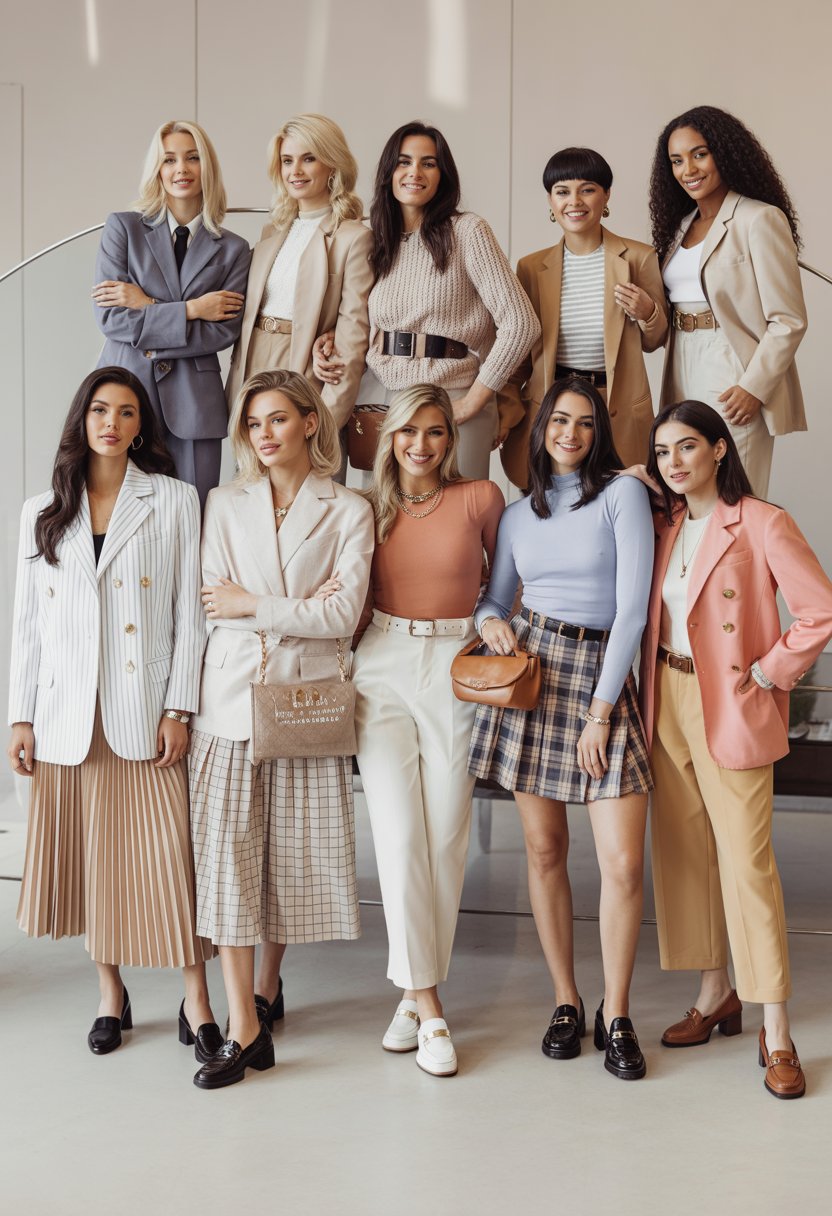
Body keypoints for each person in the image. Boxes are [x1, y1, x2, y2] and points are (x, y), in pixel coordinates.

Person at [7, 366, 217, 1061]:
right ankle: (110, 993)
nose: (112, 423)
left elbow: (192, 616)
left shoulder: (175, 500)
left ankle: (197, 997)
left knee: (168, 861)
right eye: (100, 410)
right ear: (82, 419)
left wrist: (180, 706)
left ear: (141, 427)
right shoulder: (43, 510)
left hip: (143, 709)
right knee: (92, 863)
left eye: (127, 413)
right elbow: (29, 627)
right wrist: (20, 718)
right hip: (68, 714)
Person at [639, 400, 832, 1100]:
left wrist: (771, 671)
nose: (674, 462)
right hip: (667, 696)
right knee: (686, 852)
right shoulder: (663, 526)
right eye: (662, 452)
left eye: (687, 446)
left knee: (748, 864)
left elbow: (820, 609)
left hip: (733, 701)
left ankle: (775, 1027)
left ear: (721, 449)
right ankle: (715, 991)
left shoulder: (760, 521)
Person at [188, 368, 374, 1090]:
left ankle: (268, 989)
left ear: (307, 421)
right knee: (227, 861)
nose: (263, 435)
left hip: (305, 702)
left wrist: (254, 602)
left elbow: (340, 615)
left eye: (276, 420)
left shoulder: (350, 508)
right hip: (230, 702)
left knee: (290, 861)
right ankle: (244, 1026)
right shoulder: (224, 502)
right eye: (253, 424)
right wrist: (288, 605)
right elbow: (213, 604)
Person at [469, 377, 654, 1081]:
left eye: (584, 423)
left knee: (622, 864)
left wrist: (602, 712)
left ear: (599, 431)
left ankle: (619, 1011)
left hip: (600, 678)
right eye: (559, 421)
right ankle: (566, 1001)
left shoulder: (622, 496)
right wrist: (492, 622)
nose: (570, 433)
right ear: (540, 428)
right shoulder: (519, 514)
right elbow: (495, 595)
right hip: (535, 674)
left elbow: (631, 613)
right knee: (544, 854)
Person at [352, 384, 504, 1076]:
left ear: (452, 439)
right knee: (399, 835)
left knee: (446, 836)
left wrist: (494, 618)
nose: (421, 444)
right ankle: (432, 1003)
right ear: (389, 437)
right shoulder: (365, 507)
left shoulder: (481, 499)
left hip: (454, 663)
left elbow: (506, 581)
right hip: (380, 664)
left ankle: (411, 998)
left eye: (436, 432)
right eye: (409, 430)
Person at [313, 120, 539, 479]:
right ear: (389, 172)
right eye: (403, 162)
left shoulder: (468, 231)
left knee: (457, 519)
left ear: (442, 174)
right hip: (382, 398)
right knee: (386, 521)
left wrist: (476, 400)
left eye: (428, 163)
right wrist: (328, 341)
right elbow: (361, 318)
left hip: (451, 395)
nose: (414, 172)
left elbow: (521, 323)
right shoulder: (374, 238)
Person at [649, 105, 807, 498]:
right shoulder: (680, 227)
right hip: (681, 364)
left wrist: (754, 385)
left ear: (726, 153)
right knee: (689, 498)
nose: (688, 169)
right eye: (677, 160)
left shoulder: (759, 219)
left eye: (700, 154)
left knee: (735, 496)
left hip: (732, 367)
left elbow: (788, 319)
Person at [93, 119, 252, 510]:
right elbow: (112, 320)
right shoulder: (123, 229)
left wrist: (146, 306)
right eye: (169, 160)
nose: (181, 169)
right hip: (127, 392)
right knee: (121, 516)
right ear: (157, 169)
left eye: (192, 158)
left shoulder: (234, 248)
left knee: (191, 520)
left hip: (195, 404)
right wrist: (194, 310)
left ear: (207, 167)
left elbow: (222, 332)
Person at [500, 147, 667, 488]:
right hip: (551, 404)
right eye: (562, 191)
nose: (574, 201)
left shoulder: (638, 257)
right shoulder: (531, 267)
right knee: (547, 505)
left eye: (587, 189)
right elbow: (518, 352)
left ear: (606, 196)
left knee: (616, 501)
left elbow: (656, 341)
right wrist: (505, 411)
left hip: (613, 404)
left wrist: (647, 312)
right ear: (551, 200)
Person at [225, 113, 373, 438]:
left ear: (332, 164)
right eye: (287, 160)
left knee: (306, 481)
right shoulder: (272, 233)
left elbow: (353, 337)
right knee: (253, 478)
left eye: (309, 159)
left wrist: (328, 419)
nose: (296, 171)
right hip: (254, 360)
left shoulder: (353, 237)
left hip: (305, 369)